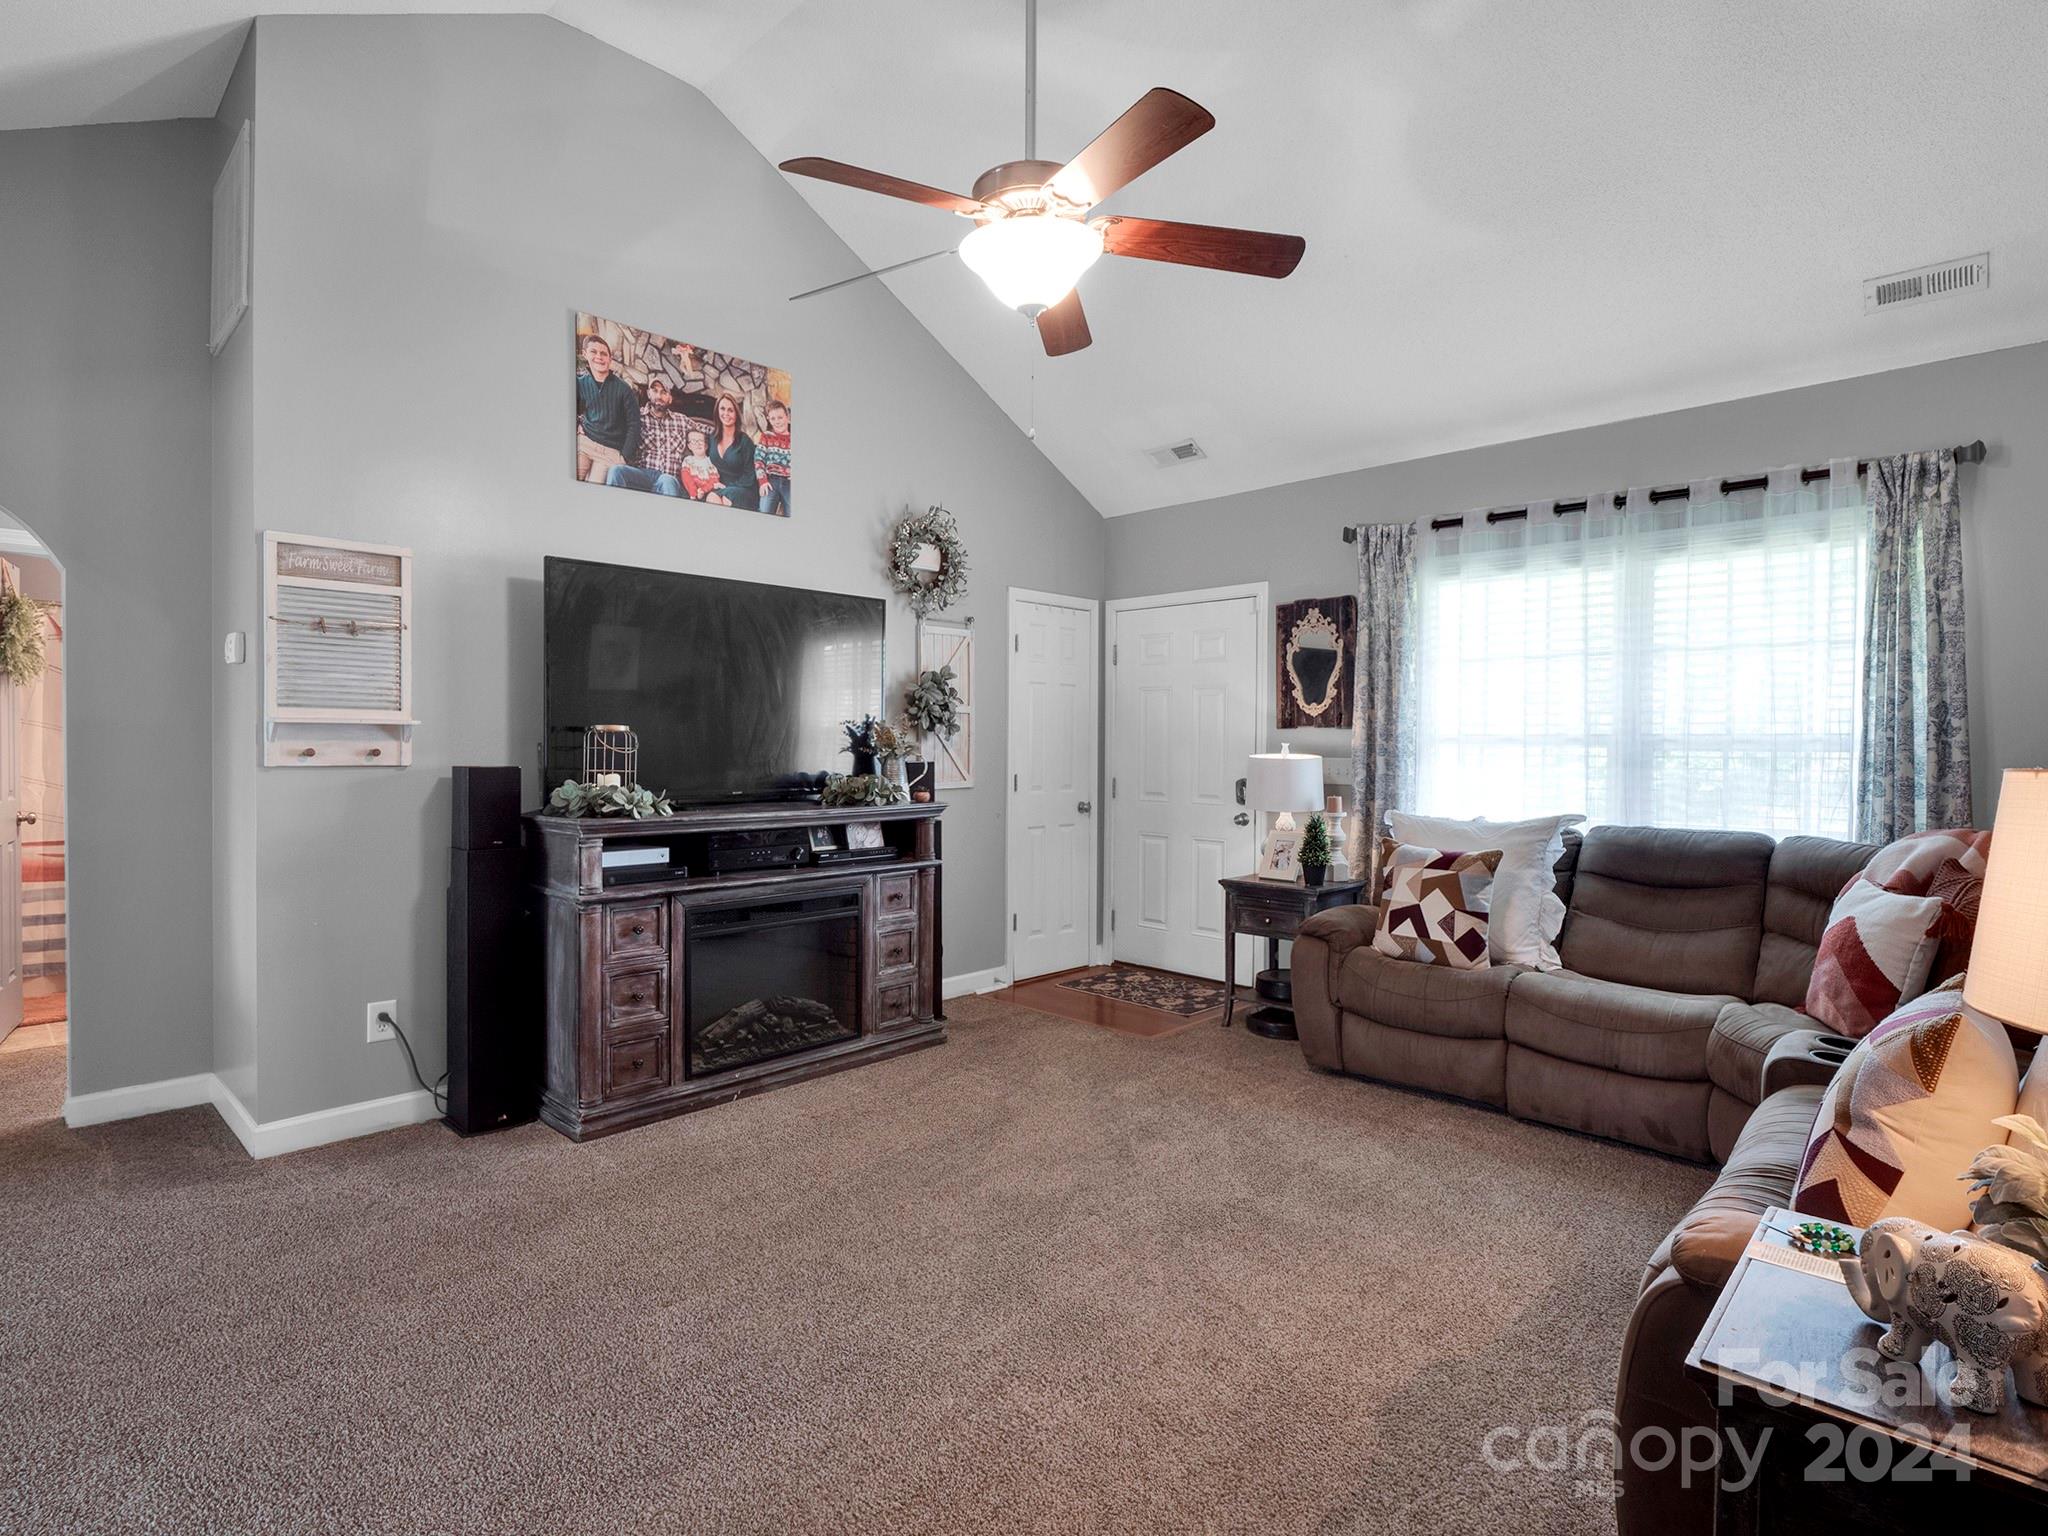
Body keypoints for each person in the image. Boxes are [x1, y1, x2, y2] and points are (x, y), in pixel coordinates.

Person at [605, 375, 689, 496]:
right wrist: (582, 423)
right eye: (655, 391)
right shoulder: (636, 415)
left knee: (667, 481)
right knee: (616, 471)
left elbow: (708, 430)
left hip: (669, 477)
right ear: (649, 394)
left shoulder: (681, 420)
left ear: (670, 398)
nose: (658, 396)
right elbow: (611, 420)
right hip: (643, 474)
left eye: (663, 392)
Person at [575, 334, 640, 483]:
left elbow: (634, 424)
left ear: (610, 359)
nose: (599, 357)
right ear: (585, 354)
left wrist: (624, 456)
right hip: (584, 443)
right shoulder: (579, 383)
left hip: (609, 451)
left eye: (604, 354)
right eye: (594, 352)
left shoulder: (624, 389)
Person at [701, 393, 759, 511]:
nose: (726, 414)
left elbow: (750, 476)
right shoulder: (712, 438)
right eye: (722, 409)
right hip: (718, 487)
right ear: (717, 411)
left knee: (724, 498)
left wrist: (727, 487)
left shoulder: (745, 441)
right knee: (713, 498)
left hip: (744, 489)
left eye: (730, 410)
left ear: (736, 414)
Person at [756, 399, 792, 518]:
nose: (777, 422)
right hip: (771, 481)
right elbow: (759, 460)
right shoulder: (766, 436)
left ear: (787, 417)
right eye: (773, 419)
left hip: (789, 482)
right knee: (764, 510)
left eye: (780, 417)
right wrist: (762, 481)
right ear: (768, 419)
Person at [678, 428, 719, 501]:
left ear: (706, 446)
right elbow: (686, 478)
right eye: (693, 441)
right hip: (691, 493)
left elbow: (714, 479)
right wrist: (694, 493)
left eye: (701, 441)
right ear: (689, 446)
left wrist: (703, 490)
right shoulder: (688, 460)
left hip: (708, 492)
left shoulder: (711, 461)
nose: (698, 444)